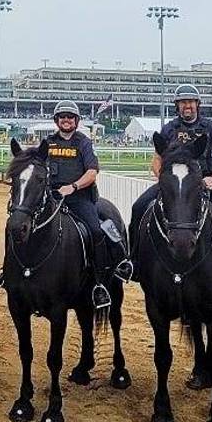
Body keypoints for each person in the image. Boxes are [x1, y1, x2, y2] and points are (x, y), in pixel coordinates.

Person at [129, 84, 212, 297]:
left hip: (205, 182)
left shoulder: (211, 128)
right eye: (182, 102)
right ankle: (133, 262)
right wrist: (165, 180)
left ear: (197, 104)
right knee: (138, 207)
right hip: (175, 185)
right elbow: (157, 160)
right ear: (177, 106)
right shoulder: (169, 129)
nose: (186, 105)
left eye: (190, 101)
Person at [44, 100, 134, 310]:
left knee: (95, 230)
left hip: (79, 198)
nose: (66, 120)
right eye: (62, 116)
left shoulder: (83, 142)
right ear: (56, 120)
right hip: (52, 197)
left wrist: (73, 187)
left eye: (70, 117)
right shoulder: (48, 142)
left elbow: (92, 172)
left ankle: (100, 283)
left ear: (76, 121)